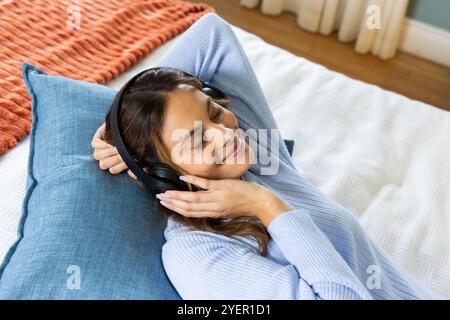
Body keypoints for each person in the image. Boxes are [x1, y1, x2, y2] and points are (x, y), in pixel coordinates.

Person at [91, 12, 438, 299]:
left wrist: (117, 120)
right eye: (197, 141)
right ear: (160, 173)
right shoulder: (198, 254)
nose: (226, 134)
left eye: (213, 112)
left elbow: (213, 36)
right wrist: (268, 207)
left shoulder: (258, 154)